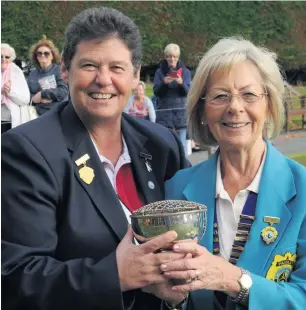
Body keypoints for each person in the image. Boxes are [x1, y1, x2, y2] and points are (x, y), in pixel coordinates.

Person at [1, 7, 190, 310]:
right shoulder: (26, 151)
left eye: (117, 67)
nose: (103, 80)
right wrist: (115, 276)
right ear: (65, 69)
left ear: (135, 74)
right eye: (89, 65)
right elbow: (15, 278)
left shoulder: (161, 144)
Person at [154, 37, 306, 309]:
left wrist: (234, 280)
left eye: (249, 94)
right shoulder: (177, 190)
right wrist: (173, 301)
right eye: (220, 96)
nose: (235, 107)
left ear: (269, 105)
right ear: (202, 110)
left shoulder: (303, 189)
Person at [153, 43, 191, 154]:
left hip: (181, 115)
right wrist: (164, 83)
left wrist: (181, 83)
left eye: (174, 56)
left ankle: (183, 168)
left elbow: (188, 93)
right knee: (165, 145)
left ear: (178, 57)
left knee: (182, 145)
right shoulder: (159, 72)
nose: (172, 59)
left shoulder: (185, 72)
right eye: (169, 56)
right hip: (164, 115)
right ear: (165, 57)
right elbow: (156, 93)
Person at [27, 35, 68, 115]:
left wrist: (42, 94)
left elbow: (63, 91)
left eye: (46, 53)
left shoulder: (59, 70)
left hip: (57, 113)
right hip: (36, 114)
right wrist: (34, 98)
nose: (42, 55)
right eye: (39, 53)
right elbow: (27, 94)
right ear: (36, 56)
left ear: (52, 56)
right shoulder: (32, 74)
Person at [1, 43, 30, 133]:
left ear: (11, 59)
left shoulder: (17, 73)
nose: (3, 59)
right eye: (1, 56)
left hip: (13, 120)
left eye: (7, 57)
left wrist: (9, 92)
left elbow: (25, 99)